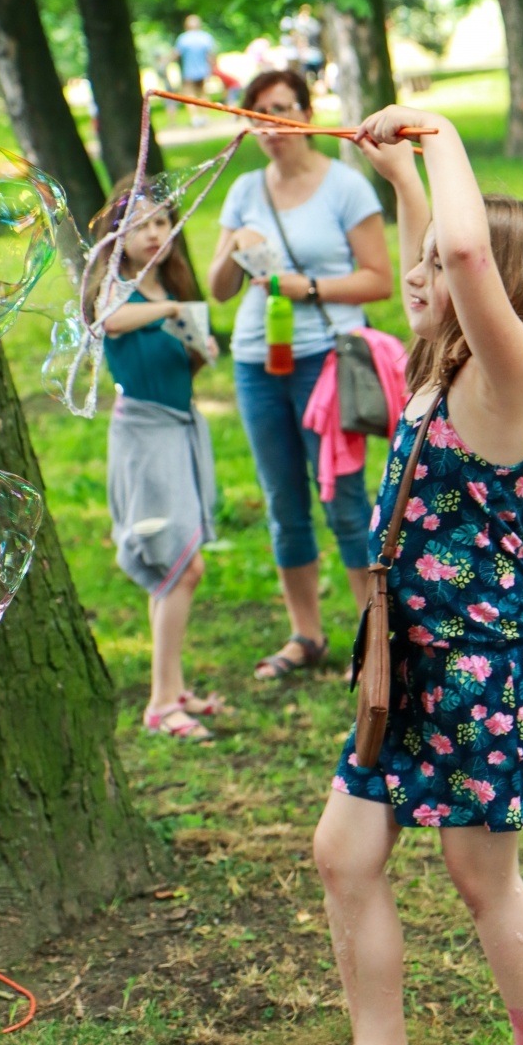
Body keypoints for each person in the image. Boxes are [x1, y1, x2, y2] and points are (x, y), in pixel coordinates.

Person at [313, 105, 523, 1045]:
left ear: (496, 293)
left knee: (480, 878)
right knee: (343, 854)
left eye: (435, 265)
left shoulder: (505, 386)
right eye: (422, 257)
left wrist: (437, 131)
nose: (418, 276)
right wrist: (401, 180)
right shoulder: (441, 367)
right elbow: (446, 258)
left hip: (484, 668)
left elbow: (466, 254)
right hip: (408, 659)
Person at [207, 70, 393, 679]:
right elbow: (219, 289)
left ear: (307, 114)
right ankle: (306, 635)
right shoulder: (244, 190)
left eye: (281, 109)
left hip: (327, 360)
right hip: (257, 362)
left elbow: (379, 280)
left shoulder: (345, 186)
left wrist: (306, 287)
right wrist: (235, 244)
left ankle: (373, 643)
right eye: (257, 114)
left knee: (344, 501)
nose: (270, 125)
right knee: (283, 502)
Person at [87, 177, 222, 742]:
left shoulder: (170, 283)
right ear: (117, 233)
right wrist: (167, 309)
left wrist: (200, 345)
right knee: (181, 568)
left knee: (176, 567)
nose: (153, 233)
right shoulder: (117, 287)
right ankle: (162, 703)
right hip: (144, 438)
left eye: (161, 222)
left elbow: (181, 356)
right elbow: (108, 321)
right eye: (139, 224)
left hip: (178, 429)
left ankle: (174, 688)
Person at [171, 15, 216, 125]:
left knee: (189, 95)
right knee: (203, 94)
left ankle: (195, 118)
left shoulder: (183, 38)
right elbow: (211, 55)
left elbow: (176, 54)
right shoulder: (205, 37)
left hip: (188, 71)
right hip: (203, 70)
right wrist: (212, 69)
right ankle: (205, 117)